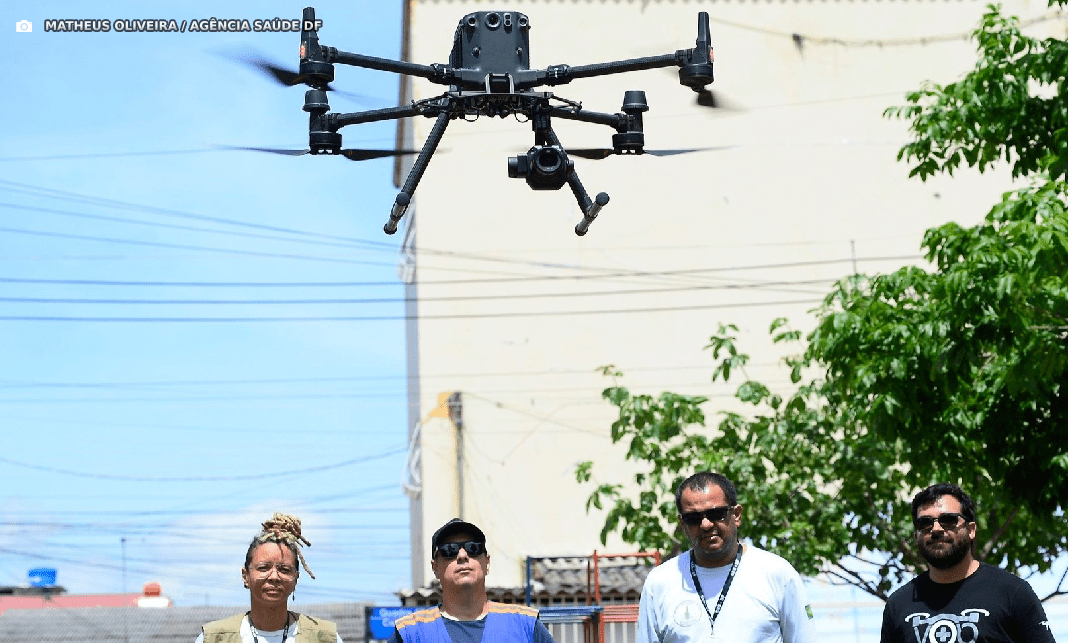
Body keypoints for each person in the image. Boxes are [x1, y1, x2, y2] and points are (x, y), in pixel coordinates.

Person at [637, 471, 817, 643]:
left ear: (736, 515)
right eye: (693, 518)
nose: (706, 524)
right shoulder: (660, 582)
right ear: (682, 524)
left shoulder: (778, 574)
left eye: (716, 514)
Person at [880, 483, 1057, 642]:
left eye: (948, 520)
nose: (936, 529)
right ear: (916, 536)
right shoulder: (898, 604)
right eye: (925, 523)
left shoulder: (1013, 593)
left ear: (971, 530)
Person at [388, 518, 555, 643]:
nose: (462, 555)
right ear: (435, 567)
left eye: (473, 548)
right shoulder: (410, 633)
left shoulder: (525, 625)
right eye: (449, 550)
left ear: (486, 562)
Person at [197, 513, 343, 643]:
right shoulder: (214, 638)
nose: (274, 577)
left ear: (295, 578)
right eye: (263, 568)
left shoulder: (324, 637)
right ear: (245, 576)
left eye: (284, 570)